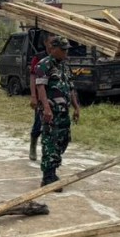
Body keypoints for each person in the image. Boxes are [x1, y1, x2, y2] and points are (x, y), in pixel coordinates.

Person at [34, 36, 80, 187]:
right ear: (53, 49)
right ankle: (48, 176)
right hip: (51, 112)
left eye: (67, 50)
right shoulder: (44, 65)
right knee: (50, 141)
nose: (66, 53)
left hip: (63, 111)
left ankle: (53, 169)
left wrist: (76, 107)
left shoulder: (65, 66)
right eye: (63, 50)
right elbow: (40, 87)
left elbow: (71, 88)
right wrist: (46, 108)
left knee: (63, 140)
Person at [27, 33, 54, 162]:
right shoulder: (38, 58)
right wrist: (33, 96)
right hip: (40, 97)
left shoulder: (58, 58)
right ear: (45, 43)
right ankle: (33, 144)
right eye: (51, 42)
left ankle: (48, 152)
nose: (53, 45)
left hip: (54, 97)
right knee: (39, 124)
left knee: (52, 126)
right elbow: (33, 76)